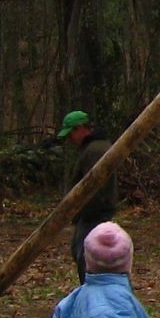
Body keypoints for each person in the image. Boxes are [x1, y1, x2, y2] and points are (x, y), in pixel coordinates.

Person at [57, 111, 117, 284]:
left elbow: (95, 186)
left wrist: (85, 210)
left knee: (86, 257)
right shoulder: (93, 148)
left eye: (71, 134)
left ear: (81, 129)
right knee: (80, 252)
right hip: (91, 213)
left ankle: (92, 291)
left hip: (94, 213)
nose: (70, 139)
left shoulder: (95, 150)